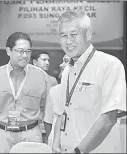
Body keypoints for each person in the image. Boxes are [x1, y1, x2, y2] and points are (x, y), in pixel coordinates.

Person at [52, 10, 126, 153]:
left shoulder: (109, 65)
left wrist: (78, 151)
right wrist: (56, 144)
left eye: (74, 34)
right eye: (63, 35)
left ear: (88, 34)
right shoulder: (67, 70)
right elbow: (62, 112)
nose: (68, 41)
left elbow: (108, 118)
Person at [0, 32, 53, 153]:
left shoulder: (41, 76)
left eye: (28, 51)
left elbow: (48, 111)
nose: (25, 55)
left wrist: (49, 139)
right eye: (20, 51)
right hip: (3, 135)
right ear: (8, 51)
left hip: (31, 134)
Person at [43, 54, 70, 147]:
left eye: (66, 61)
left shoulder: (86, 91)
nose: (61, 65)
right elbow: (48, 121)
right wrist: (52, 141)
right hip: (54, 145)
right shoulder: (54, 90)